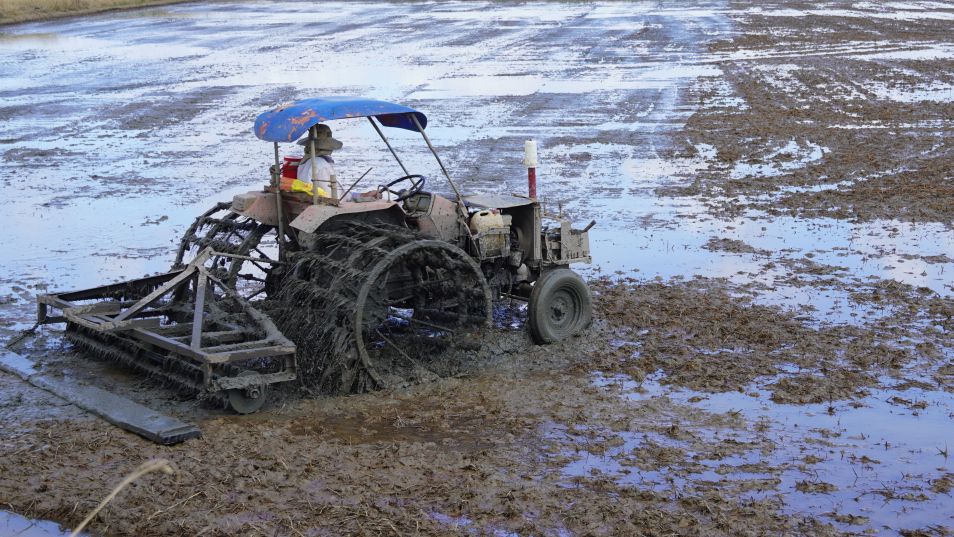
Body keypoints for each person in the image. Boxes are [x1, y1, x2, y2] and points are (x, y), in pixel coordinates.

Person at [296, 123, 342, 197]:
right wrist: (354, 196)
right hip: (323, 204)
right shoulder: (321, 164)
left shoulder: (307, 161)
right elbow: (334, 195)